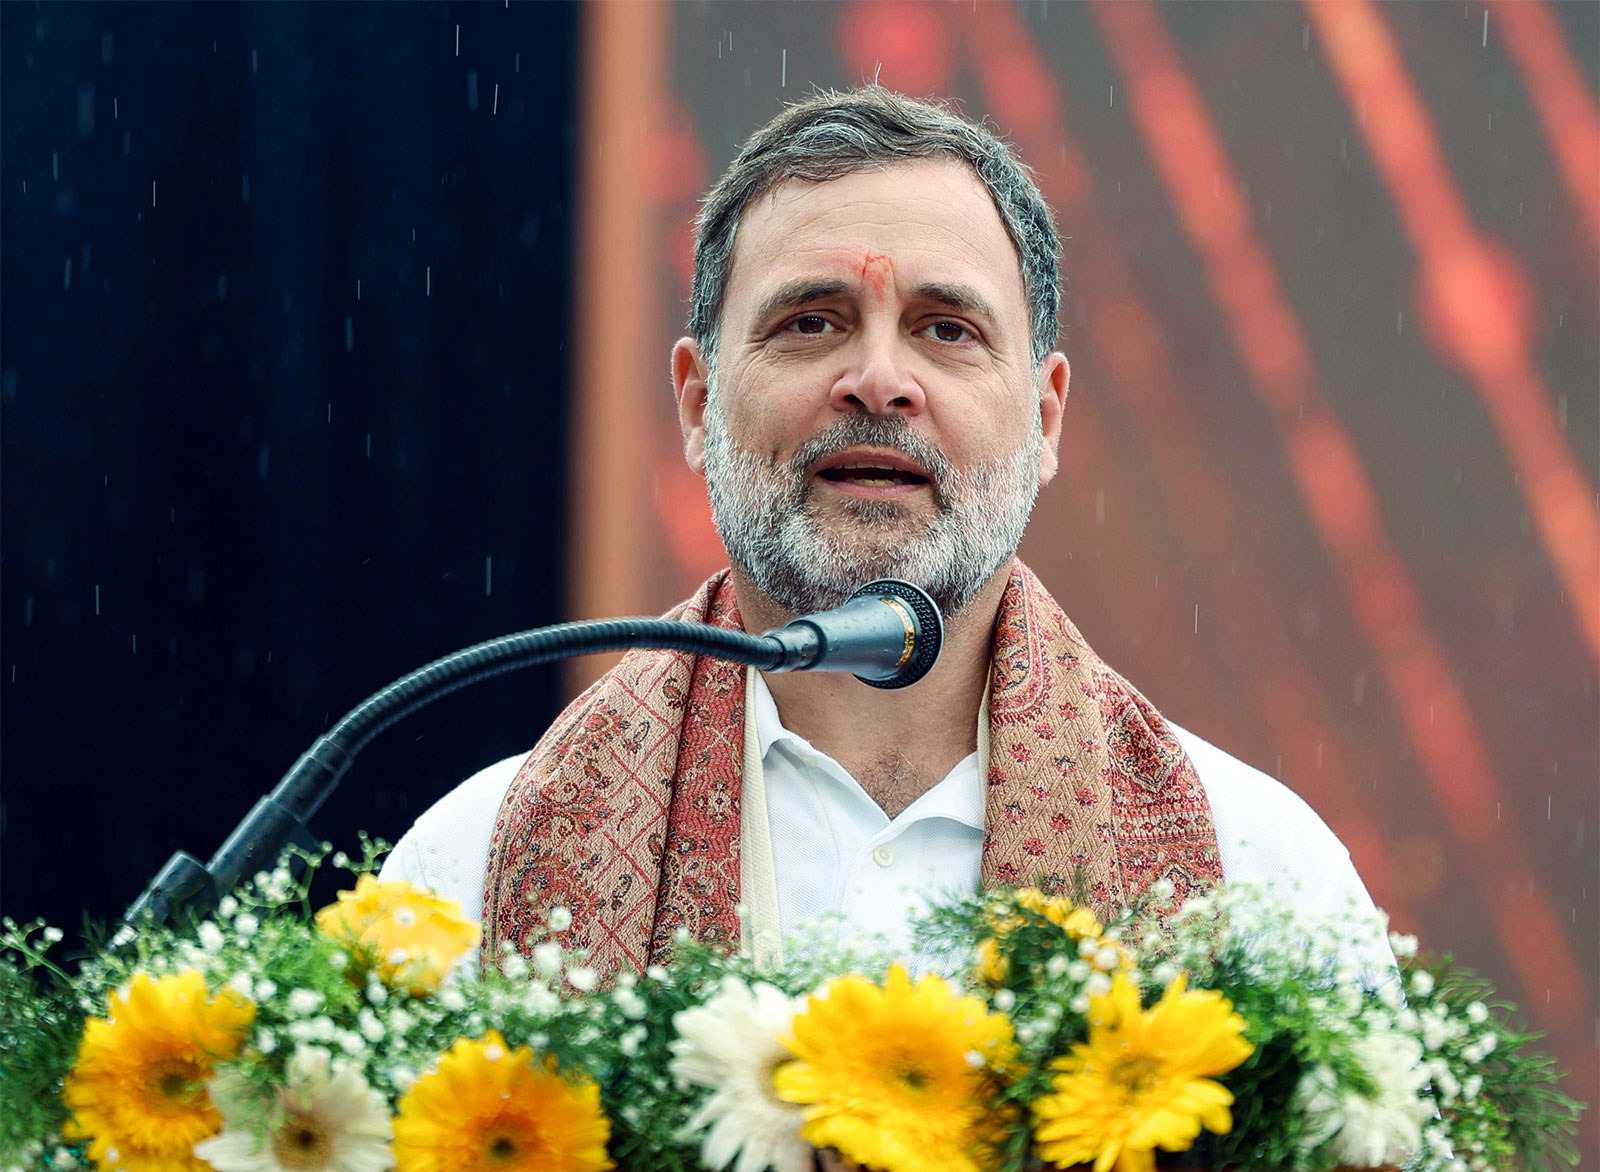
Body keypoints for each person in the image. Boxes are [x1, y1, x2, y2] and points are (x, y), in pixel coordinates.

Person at [381, 87, 1387, 979]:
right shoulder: (469, 871)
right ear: (696, 407)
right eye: (810, 322)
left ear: (1045, 419)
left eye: (945, 329)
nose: (877, 378)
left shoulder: (1264, 879)